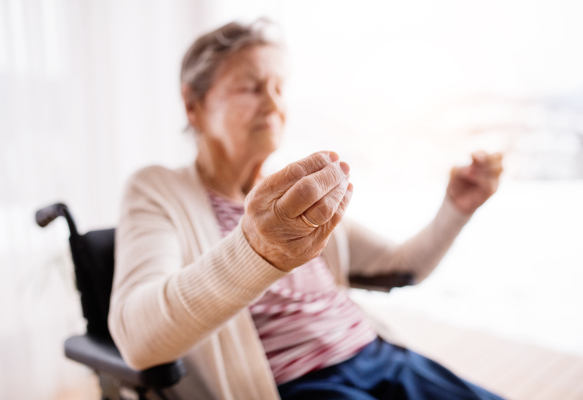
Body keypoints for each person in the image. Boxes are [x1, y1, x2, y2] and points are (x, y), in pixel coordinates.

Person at [108, 19, 504, 400]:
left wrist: (456, 208)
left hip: (380, 357)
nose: (273, 103)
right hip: (301, 384)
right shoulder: (159, 189)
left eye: (279, 88)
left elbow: (402, 265)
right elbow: (137, 339)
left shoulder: (288, 198)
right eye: (251, 86)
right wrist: (257, 250)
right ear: (193, 104)